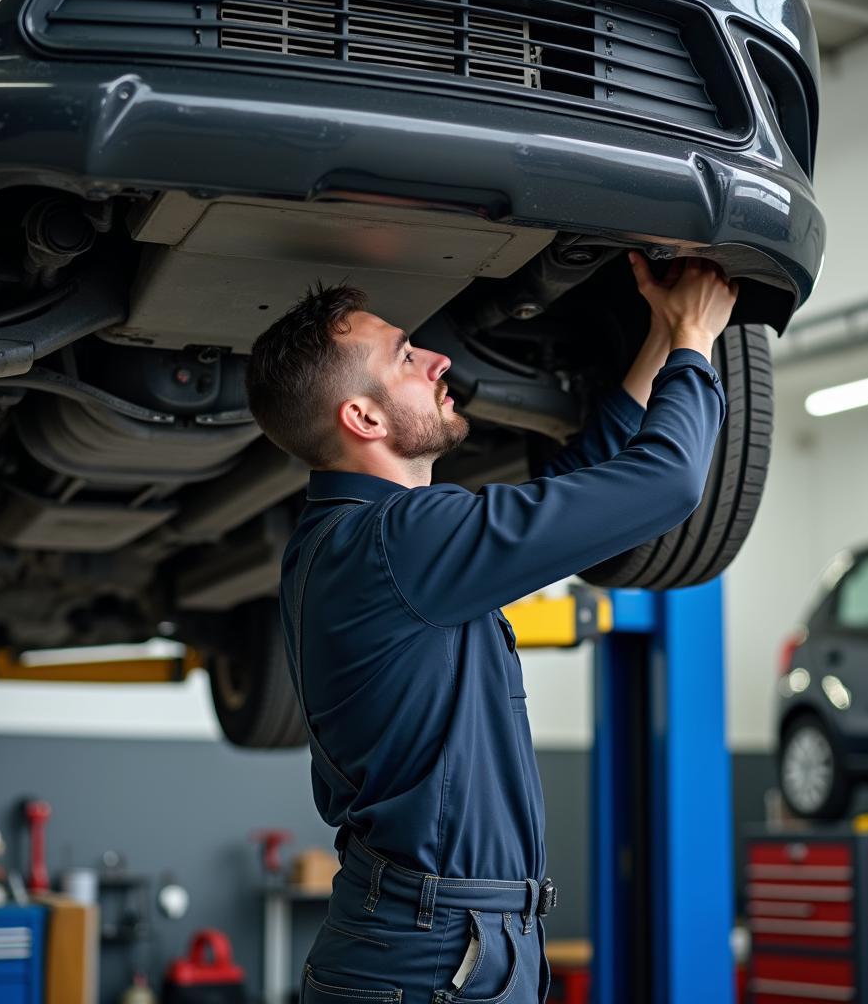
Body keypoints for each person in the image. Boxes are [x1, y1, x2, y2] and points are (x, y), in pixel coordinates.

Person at [245, 253, 736, 1004]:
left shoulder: (357, 542)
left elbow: (581, 493)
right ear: (364, 417)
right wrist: (697, 339)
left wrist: (664, 336)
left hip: (433, 946)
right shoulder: (396, 543)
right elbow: (665, 482)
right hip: (437, 957)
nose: (441, 359)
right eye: (408, 356)